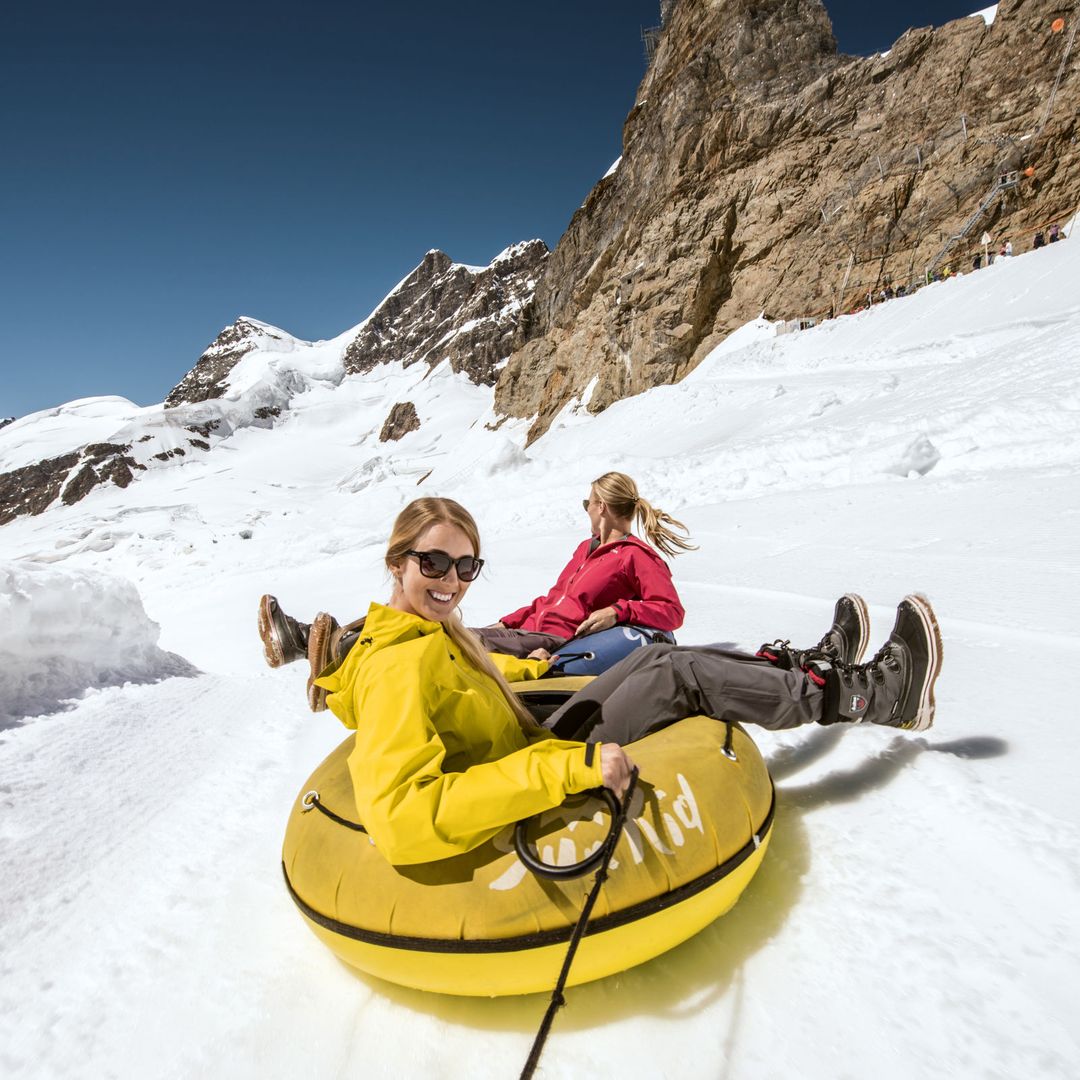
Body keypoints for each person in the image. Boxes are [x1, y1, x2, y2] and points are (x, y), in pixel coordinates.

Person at [314, 497, 943, 866]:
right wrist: (568, 771)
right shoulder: (398, 662)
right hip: (532, 768)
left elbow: (465, 684)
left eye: (466, 565)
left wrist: (534, 668)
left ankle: (813, 667)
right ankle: (868, 698)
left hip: (528, 737)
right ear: (397, 563)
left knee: (645, 663)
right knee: (677, 670)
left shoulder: (425, 630)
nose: (451, 580)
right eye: (434, 563)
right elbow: (403, 817)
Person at [259, 472, 694, 709]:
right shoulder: (587, 549)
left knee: (440, 640)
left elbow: (670, 611)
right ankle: (329, 659)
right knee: (438, 631)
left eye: (587, 504)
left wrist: (619, 612)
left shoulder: (636, 556)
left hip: (560, 641)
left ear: (599, 505)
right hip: (534, 627)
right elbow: (553, 599)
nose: (586, 512)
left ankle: (317, 647)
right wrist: (513, 620)